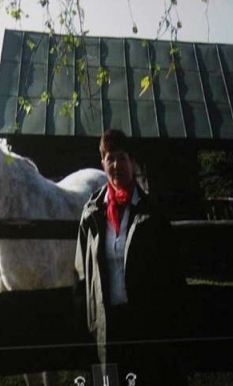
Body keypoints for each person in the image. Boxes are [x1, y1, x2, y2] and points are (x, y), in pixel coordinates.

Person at [74, 129, 188, 385]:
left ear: (132, 162)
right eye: (110, 158)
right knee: (108, 381)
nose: (116, 165)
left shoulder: (152, 213)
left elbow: (172, 276)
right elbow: (81, 277)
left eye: (122, 158)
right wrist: (85, 328)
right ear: (103, 164)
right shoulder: (91, 213)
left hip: (143, 322)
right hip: (104, 325)